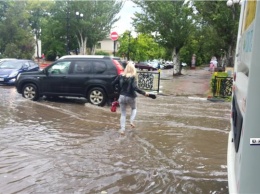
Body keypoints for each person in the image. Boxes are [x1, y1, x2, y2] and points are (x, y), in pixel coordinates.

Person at [112, 62, 149, 135]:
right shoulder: (132, 77)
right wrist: (144, 93)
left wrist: (117, 91)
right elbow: (135, 88)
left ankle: (122, 130)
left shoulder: (120, 76)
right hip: (131, 96)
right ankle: (131, 121)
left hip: (121, 96)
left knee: (123, 114)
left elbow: (113, 84)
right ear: (133, 69)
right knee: (134, 108)